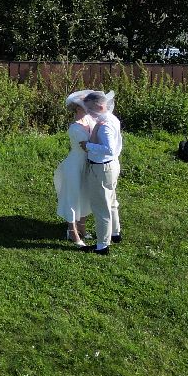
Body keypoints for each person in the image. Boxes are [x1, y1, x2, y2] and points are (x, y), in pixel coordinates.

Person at [80, 90, 123, 255]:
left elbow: (109, 149)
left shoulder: (105, 126)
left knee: (101, 207)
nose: (89, 113)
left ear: (99, 106)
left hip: (102, 168)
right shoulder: (111, 118)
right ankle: (115, 233)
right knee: (111, 201)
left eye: (90, 109)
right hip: (111, 167)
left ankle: (102, 245)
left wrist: (88, 146)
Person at [54, 92, 95, 246]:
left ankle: (82, 227)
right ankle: (72, 231)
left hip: (87, 164)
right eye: (85, 106)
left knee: (85, 194)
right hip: (75, 164)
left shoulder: (89, 120)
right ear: (78, 108)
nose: (89, 108)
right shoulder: (75, 128)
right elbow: (86, 148)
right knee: (73, 196)